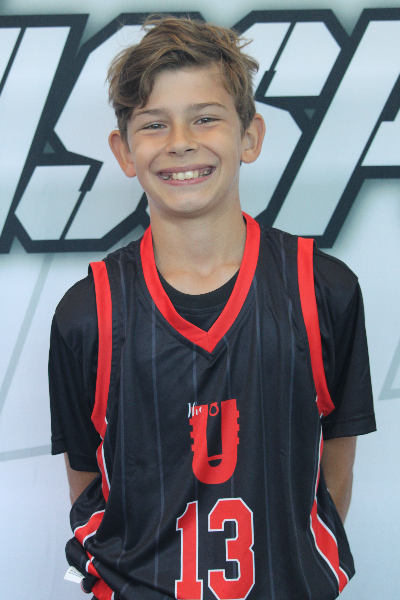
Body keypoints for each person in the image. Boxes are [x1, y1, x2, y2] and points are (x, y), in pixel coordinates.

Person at [49, 15, 376, 600]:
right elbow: (88, 479)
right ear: (124, 151)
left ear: (250, 135)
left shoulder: (323, 289)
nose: (180, 141)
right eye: (154, 124)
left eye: (205, 117)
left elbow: (335, 466)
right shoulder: (87, 313)